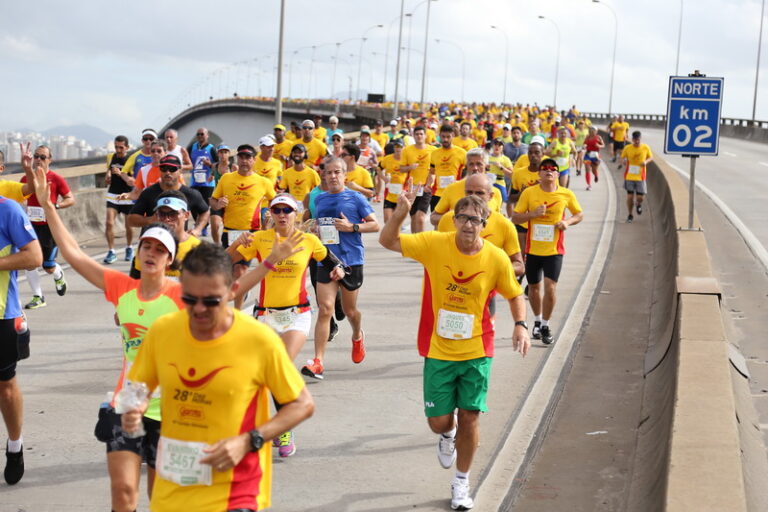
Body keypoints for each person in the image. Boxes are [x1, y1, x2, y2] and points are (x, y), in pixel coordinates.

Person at [30, 164, 183, 511]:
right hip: (126, 403)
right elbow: (74, 254)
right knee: (124, 495)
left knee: (162, 499)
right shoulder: (122, 288)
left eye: (160, 250)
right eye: (147, 246)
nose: (150, 253)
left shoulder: (181, 296)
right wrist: (48, 205)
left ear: (170, 258)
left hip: (171, 409)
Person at [121, 242, 315, 512]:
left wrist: (250, 440)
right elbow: (139, 384)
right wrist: (135, 407)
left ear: (233, 291)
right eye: (189, 299)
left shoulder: (258, 340)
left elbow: (302, 404)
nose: (199, 309)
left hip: (235, 491)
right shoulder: (163, 332)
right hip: (174, 487)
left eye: (211, 301)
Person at [379, 192, 529, 512]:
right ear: (454, 220)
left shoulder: (495, 258)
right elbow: (387, 241)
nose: (469, 225)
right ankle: (447, 433)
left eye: (476, 219)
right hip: (440, 350)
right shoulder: (435, 243)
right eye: (463, 218)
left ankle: (461, 482)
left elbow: (515, 294)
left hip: (477, 349)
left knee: (471, 416)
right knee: (439, 421)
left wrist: (521, 325)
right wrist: (400, 214)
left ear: (484, 225)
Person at [228, 194, 344, 457]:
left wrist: (339, 271)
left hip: (297, 314)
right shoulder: (259, 238)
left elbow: (331, 261)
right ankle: (279, 424)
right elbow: (222, 262)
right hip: (265, 315)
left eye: (287, 210)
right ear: (270, 213)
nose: (282, 215)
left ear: (296, 213)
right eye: (277, 210)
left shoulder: (309, 240)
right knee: (267, 374)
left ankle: (282, 427)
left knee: (279, 365)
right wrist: (237, 243)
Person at [301, 157, 380, 380]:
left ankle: (356, 334)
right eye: (329, 172)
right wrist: (314, 231)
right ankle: (318, 361)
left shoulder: (356, 198)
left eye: (338, 172)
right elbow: (316, 224)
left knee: (349, 311)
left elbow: (375, 224)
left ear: (345, 175)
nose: (333, 176)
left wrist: (352, 226)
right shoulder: (320, 199)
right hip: (326, 258)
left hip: (351, 259)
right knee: (325, 309)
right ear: (324, 176)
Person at [512, 157, 584, 345]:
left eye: (553, 168)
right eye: (545, 168)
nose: (549, 171)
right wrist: (532, 215)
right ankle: (536, 321)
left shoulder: (566, 194)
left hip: (554, 250)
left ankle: (545, 324)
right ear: (539, 174)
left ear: (557, 174)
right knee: (534, 288)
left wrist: (567, 222)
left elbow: (579, 214)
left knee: (550, 288)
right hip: (533, 250)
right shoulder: (529, 193)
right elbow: (516, 218)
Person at [0, 178, 42, 486]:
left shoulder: (8, 210)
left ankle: (15, 445)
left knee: (6, 388)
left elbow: (34, 256)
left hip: (2, 313)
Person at [18, 145, 74, 310]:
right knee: (29, 262)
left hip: (49, 226)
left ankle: (58, 273)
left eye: (43, 157)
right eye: (36, 156)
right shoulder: (26, 178)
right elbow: (19, 197)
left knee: (48, 266)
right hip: (30, 226)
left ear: (50, 160)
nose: (39, 160)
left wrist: (56, 206)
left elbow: (70, 199)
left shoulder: (56, 179)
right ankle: (38, 296)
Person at [210, 144, 276, 247]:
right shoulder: (226, 178)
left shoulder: (263, 182)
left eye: (248, 157)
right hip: (229, 231)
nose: (244, 161)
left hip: (252, 231)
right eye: (241, 157)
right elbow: (213, 201)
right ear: (237, 159)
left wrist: (270, 212)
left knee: (242, 263)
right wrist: (218, 204)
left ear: (254, 160)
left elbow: (275, 200)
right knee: (230, 263)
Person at [128, 155, 210, 237]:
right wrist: (150, 220)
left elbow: (205, 211)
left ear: (180, 171)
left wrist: (197, 229)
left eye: (172, 169)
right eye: (163, 169)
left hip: (178, 243)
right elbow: (131, 220)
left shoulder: (191, 194)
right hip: (153, 241)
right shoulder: (148, 192)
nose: (167, 172)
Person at [129, 191, 202, 280]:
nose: (167, 219)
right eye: (162, 214)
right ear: (156, 215)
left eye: (173, 214)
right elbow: (136, 283)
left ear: (186, 215)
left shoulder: (198, 249)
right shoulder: (147, 245)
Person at [430, 148, 503, 227]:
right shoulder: (452, 188)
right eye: (471, 164)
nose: (475, 168)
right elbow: (433, 218)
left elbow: (497, 222)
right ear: (466, 166)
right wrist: (456, 218)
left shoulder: (495, 192)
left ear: (487, 166)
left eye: (479, 164)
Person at [104, 135, 136, 265]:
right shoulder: (111, 157)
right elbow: (108, 170)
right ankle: (111, 251)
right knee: (109, 222)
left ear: (127, 147)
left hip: (127, 195)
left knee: (128, 225)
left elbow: (132, 182)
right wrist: (108, 175)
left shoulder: (131, 160)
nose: (118, 150)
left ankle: (129, 247)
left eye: (121, 147)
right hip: (113, 194)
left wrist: (120, 173)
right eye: (116, 147)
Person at [401, 125, 435, 232]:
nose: (419, 136)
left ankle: (421, 242)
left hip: (426, 187)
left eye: (421, 134)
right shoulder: (407, 150)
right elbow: (401, 169)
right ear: (413, 136)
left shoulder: (433, 150)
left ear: (425, 136)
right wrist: (410, 167)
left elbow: (437, 169)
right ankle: (415, 242)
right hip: (412, 188)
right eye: (417, 134)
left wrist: (430, 183)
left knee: (420, 218)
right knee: (414, 217)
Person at [429, 124, 467, 212]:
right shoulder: (434, 153)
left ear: (453, 136)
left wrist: (461, 181)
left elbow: (470, 172)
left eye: (448, 137)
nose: (445, 139)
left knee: (453, 222)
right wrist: (428, 184)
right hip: (437, 193)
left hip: (455, 193)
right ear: (439, 136)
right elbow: (432, 172)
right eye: (443, 136)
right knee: (437, 222)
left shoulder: (462, 153)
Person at [187, 127, 218, 228]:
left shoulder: (211, 148)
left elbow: (218, 164)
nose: (200, 136)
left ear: (207, 135)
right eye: (198, 134)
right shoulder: (192, 147)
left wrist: (209, 165)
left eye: (202, 134)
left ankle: (203, 226)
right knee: (192, 204)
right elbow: (185, 159)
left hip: (207, 183)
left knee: (203, 206)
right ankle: (200, 223)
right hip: (194, 181)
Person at [621, 131, 653, 223]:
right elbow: (623, 157)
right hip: (629, 176)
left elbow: (651, 157)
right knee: (630, 197)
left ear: (640, 139)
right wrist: (623, 161)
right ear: (632, 139)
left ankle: (638, 204)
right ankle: (630, 215)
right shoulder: (627, 148)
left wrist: (645, 162)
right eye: (635, 140)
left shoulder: (645, 147)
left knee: (640, 197)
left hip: (640, 176)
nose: (637, 141)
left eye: (638, 139)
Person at [210, 144, 237, 245]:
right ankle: (217, 245)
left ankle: (231, 246)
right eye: (221, 152)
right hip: (217, 199)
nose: (223, 155)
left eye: (225, 152)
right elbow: (213, 174)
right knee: (215, 224)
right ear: (218, 154)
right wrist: (211, 177)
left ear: (229, 154)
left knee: (230, 227)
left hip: (230, 200)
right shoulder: (215, 166)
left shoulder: (233, 167)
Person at [379, 139, 408, 223]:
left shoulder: (407, 160)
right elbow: (378, 168)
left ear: (404, 148)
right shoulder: (388, 159)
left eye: (400, 146)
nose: (398, 148)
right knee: (387, 220)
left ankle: (396, 235)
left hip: (402, 193)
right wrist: (384, 178)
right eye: (396, 146)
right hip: (389, 193)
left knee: (397, 221)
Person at [488, 138, 514, 204]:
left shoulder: (505, 159)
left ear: (502, 147)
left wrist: (501, 167)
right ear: (492, 146)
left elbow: (512, 174)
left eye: (499, 145)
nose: (497, 147)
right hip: (487, 182)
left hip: (499, 182)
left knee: (503, 201)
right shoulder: (486, 157)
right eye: (495, 144)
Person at [583, 127, 604, 191]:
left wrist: (599, 146)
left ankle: (596, 175)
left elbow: (603, 145)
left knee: (594, 170)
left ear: (596, 131)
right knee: (587, 169)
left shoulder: (598, 137)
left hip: (595, 155)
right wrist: (584, 146)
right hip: (588, 155)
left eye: (593, 130)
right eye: (590, 130)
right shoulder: (587, 137)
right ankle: (589, 185)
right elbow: (584, 143)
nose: (592, 131)